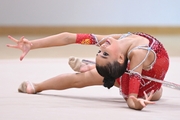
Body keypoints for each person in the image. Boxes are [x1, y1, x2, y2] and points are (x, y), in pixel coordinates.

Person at [7, 32, 169, 110]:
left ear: (121, 59)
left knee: (157, 93)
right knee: (79, 79)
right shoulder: (128, 49)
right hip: (132, 76)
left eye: (102, 53)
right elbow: (69, 37)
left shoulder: (127, 46)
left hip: (142, 82)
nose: (102, 47)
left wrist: (138, 104)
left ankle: (94, 69)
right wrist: (33, 45)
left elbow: (132, 99)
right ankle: (37, 86)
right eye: (102, 53)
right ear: (120, 59)